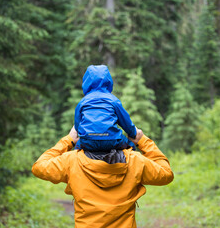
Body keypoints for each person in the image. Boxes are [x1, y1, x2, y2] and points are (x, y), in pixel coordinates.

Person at [32, 126, 174, 228]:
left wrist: (68, 140)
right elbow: (166, 174)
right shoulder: (135, 161)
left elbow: (39, 167)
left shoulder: (71, 161)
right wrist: (143, 141)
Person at [74, 65, 137, 151]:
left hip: (88, 141)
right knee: (131, 146)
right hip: (111, 140)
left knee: (76, 149)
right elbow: (126, 122)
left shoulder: (83, 102)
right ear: (108, 81)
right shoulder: (113, 100)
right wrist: (133, 133)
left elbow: (77, 125)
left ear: (86, 81)